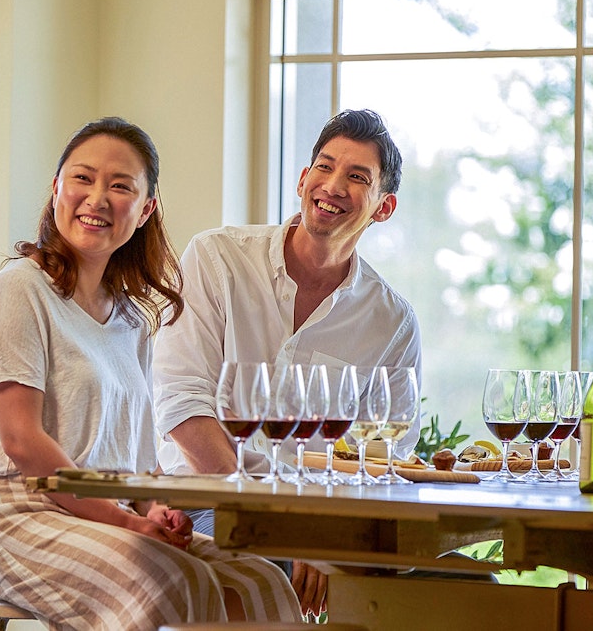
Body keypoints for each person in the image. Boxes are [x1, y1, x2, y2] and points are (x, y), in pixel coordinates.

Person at [0, 117, 301, 631]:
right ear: (57, 187)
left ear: (145, 210)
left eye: (120, 186)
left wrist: (156, 511)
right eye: (82, 178)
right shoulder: (21, 288)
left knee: (260, 579)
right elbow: (23, 442)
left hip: (111, 515)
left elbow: (141, 462)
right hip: (26, 516)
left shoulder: (131, 320)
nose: (97, 198)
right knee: (168, 578)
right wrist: (127, 520)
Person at [153, 108, 424, 617]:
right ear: (303, 179)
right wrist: (281, 526)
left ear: (383, 208)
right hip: (207, 498)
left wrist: (322, 532)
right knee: (270, 566)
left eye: (357, 177)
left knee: (445, 579)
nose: (333, 185)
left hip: (321, 521)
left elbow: (385, 452)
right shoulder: (217, 258)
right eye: (324, 166)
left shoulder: (393, 322)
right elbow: (182, 402)